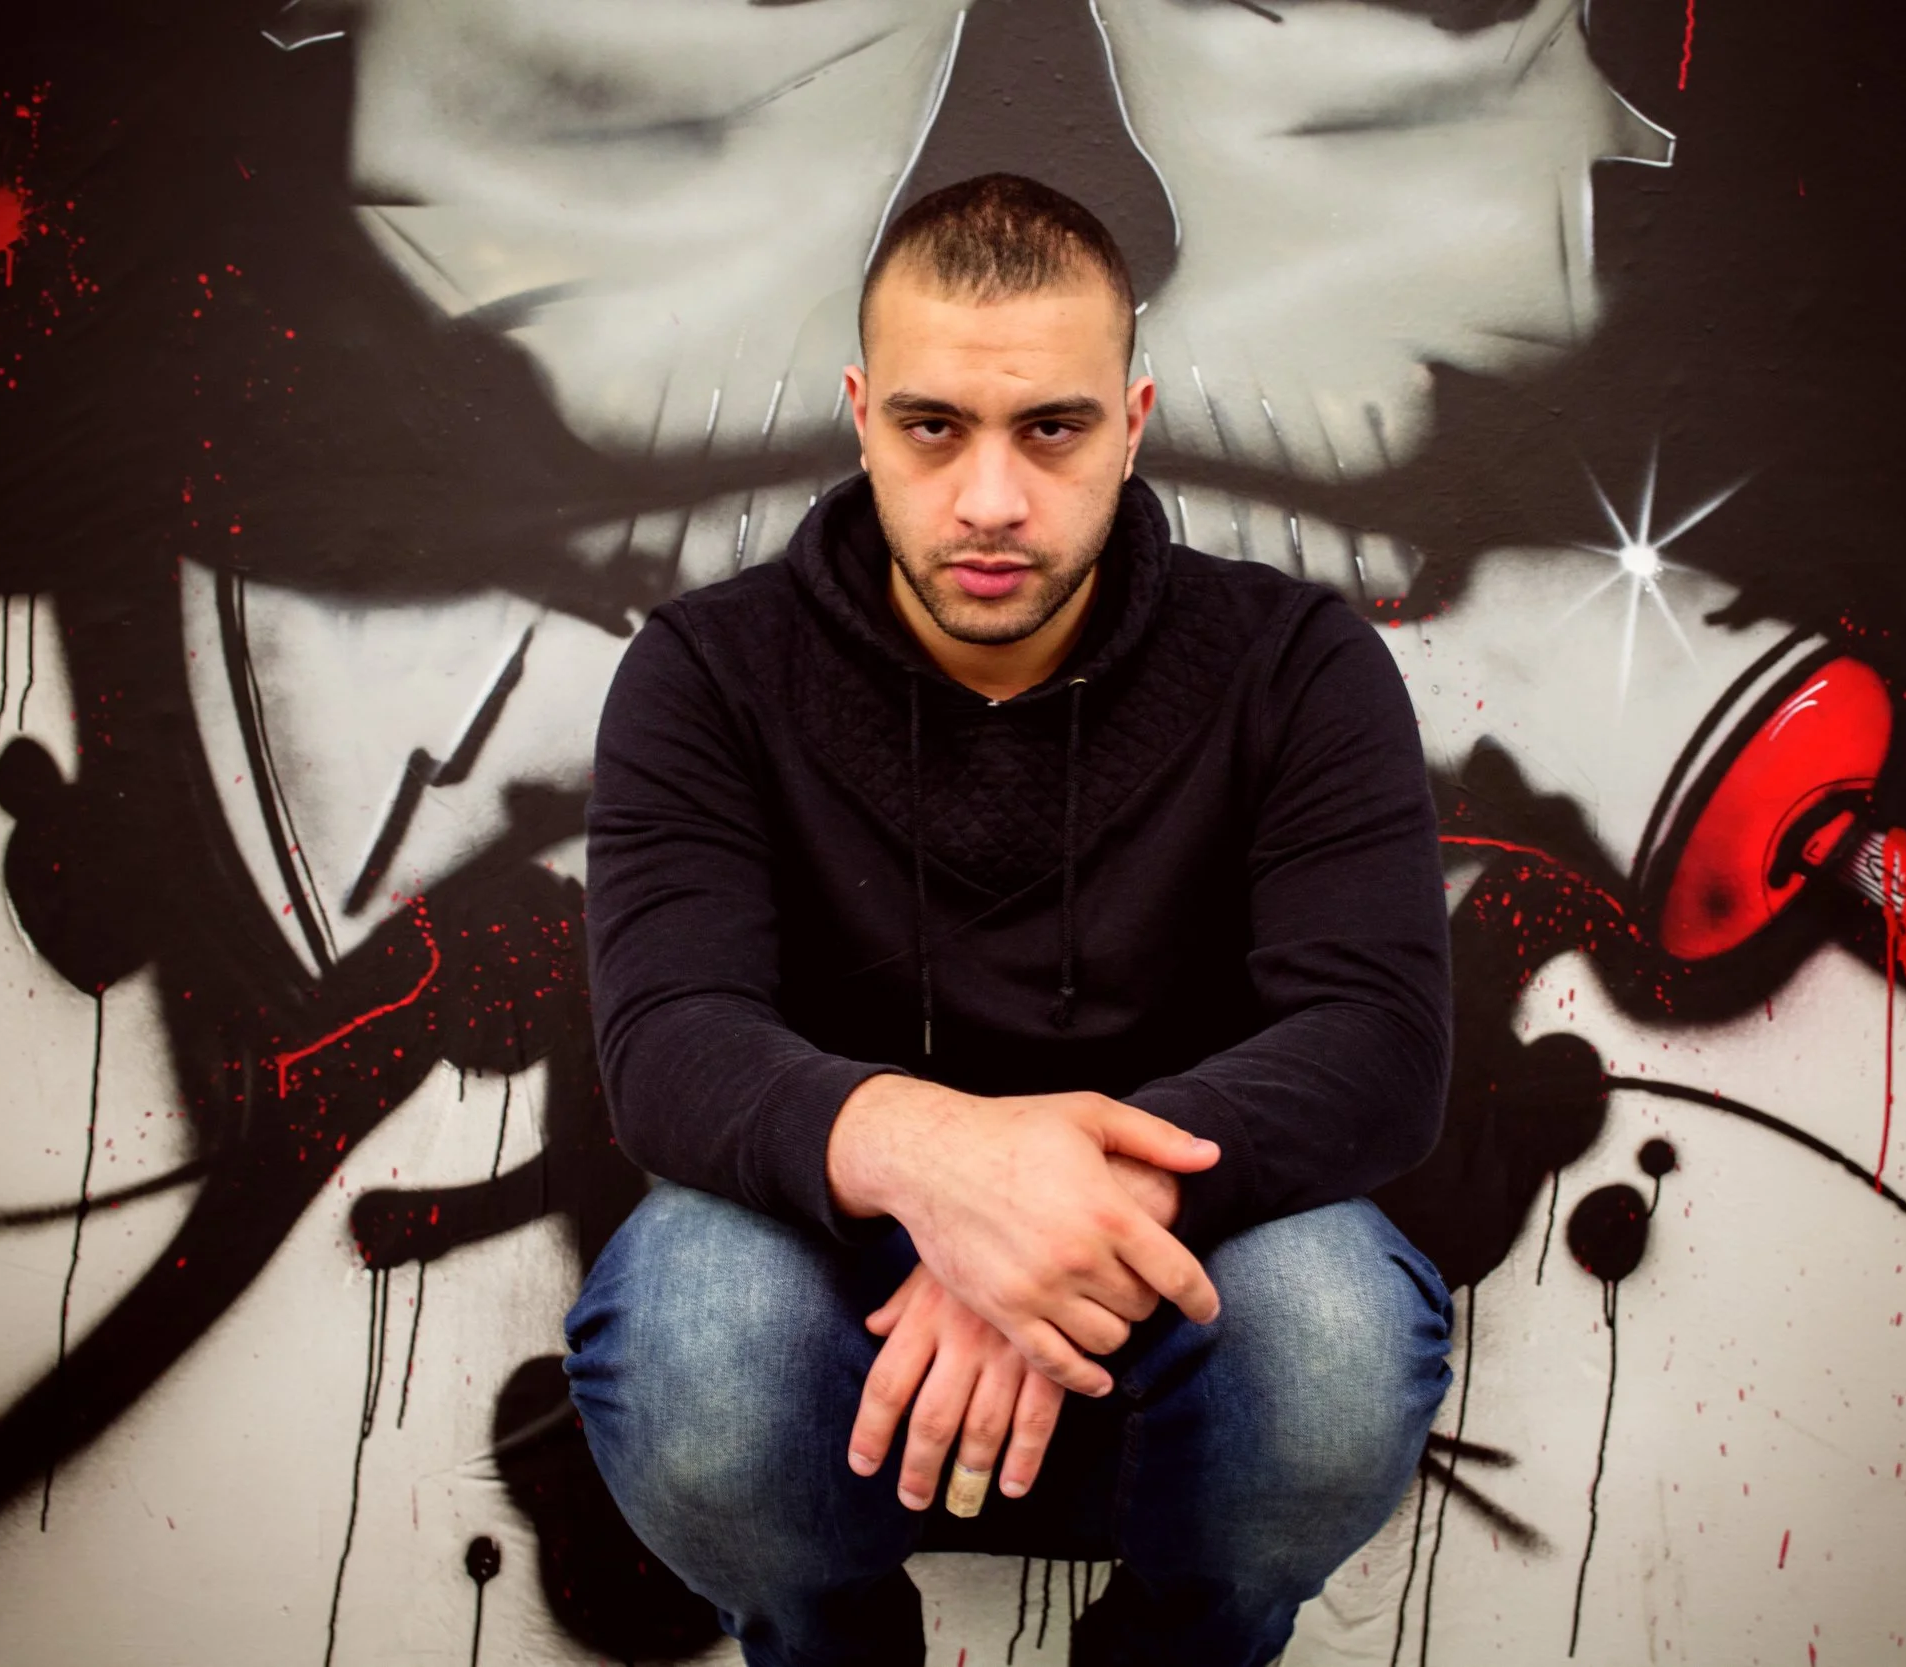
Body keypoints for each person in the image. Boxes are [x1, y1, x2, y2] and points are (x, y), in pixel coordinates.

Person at [563, 173, 1455, 1667]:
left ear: (1134, 418)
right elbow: (667, 1041)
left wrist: (1049, 1220)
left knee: (1336, 1340)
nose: (990, 498)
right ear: (859, 415)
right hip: (821, 1268)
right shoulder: (708, 671)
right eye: (933, 427)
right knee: (690, 1337)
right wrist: (940, 1166)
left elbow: (1378, 1041)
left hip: (1190, 1261)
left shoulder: (1295, 662)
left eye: (1053, 427)